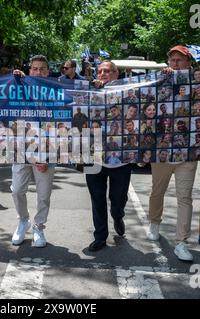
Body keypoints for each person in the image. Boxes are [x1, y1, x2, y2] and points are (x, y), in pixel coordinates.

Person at [146, 45, 200, 262]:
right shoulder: (158, 80)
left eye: (180, 60)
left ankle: (181, 242)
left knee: (185, 197)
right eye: (172, 60)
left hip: (188, 151)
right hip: (163, 148)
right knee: (158, 191)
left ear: (188, 64)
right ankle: (154, 222)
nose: (175, 64)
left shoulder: (199, 84)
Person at [10, 55, 56, 248]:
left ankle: (39, 226)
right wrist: (14, 79)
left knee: (43, 195)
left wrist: (46, 155)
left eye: (42, 69)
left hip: (45, 152)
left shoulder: (55, 91)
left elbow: (60, 126)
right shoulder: (19, 87)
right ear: (29, 71)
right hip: (22, 151)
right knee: (17, 190)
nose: (38, 72)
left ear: (48, 72)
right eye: (34, 69)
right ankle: (23, 220)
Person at [85, 60, 131, 252]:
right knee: (97, 197)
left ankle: (118, 214)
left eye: (107, 71)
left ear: (116, 73)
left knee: (117, 197)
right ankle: (100, 236)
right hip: (93, 155)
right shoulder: (89, 91)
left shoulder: (129, 90)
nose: (103, 74)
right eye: (100, 71)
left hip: (121, 157)